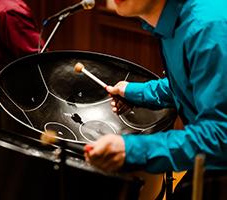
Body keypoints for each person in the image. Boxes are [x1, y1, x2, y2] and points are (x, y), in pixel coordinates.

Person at [85, 0, 227, 177]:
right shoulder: (179, 21)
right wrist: (134, 92)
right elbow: (191, 83)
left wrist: (131, 149)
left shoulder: (208, 27)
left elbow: (221, 135)